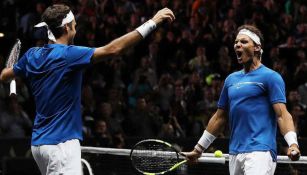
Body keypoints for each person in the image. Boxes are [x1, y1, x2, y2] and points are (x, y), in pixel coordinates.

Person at [0, 4, 175, 175]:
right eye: (74, 25)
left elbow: (4, 75)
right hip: (61, 146)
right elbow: (114, 49)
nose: (76, 29)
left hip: (39, 146)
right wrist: (153, 22)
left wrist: (14, 68)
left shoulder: (32, 55)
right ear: (67, 27)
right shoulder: (68, 55)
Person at [185, 25, 301, 175]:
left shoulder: (271, 77)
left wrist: (293, 144)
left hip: (261, 151)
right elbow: (219, 118)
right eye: (236, 42)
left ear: (257, 48)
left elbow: (282, 115)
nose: (237, 45)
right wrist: (198, 149)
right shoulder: (230, 80)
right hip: (235, 152)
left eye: (244, 42)